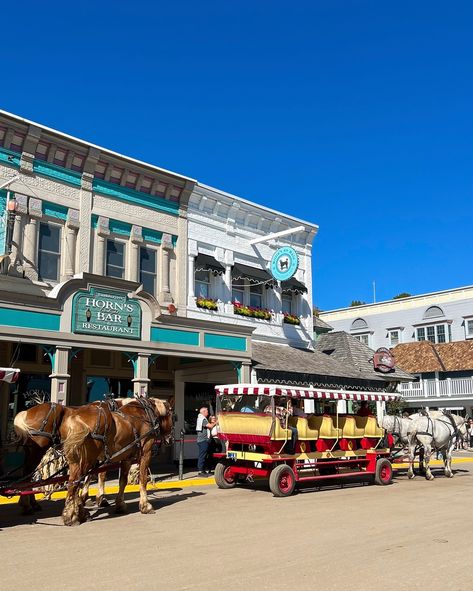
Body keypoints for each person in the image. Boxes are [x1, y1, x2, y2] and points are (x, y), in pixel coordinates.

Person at [196, 407, 215, 476]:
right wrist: (216, 422)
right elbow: (210, 426)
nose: (208, 413)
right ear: (203, 412)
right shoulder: (202, 419)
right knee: (202, 456)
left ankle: (203, 470)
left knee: (204, 455)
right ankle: (200, 471)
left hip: (203, 440)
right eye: (207, 411)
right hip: (203, 440)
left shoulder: (201, 418)